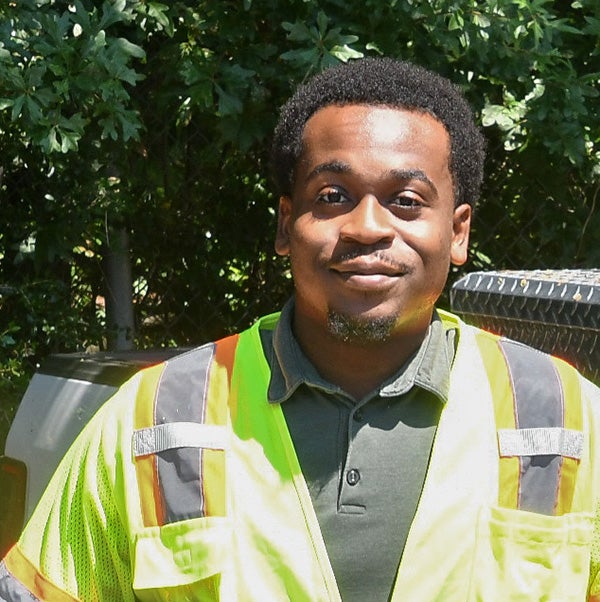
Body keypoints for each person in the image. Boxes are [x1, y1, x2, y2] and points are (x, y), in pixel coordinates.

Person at [1, 56, 600, 601]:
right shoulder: (152, 420)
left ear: (459, 232)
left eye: (408, 200)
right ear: (287, 225)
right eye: (333, 195)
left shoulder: (567, 418)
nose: (368, 226)